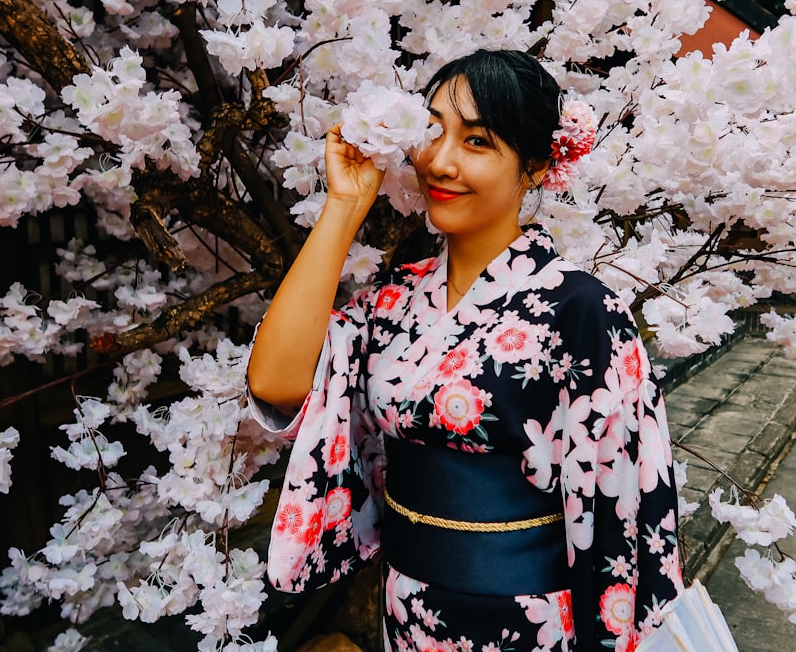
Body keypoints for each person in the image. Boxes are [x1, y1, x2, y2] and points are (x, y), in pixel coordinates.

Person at [246, 49, 683, 651]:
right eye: (433, 132)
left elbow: (617, 511)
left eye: (476, 142)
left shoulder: (582, 312)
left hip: (526, 623)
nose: (440, 162)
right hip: (409, 603)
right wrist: (344, 207)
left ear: (533, 166)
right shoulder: (394, 300)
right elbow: (275, 384)